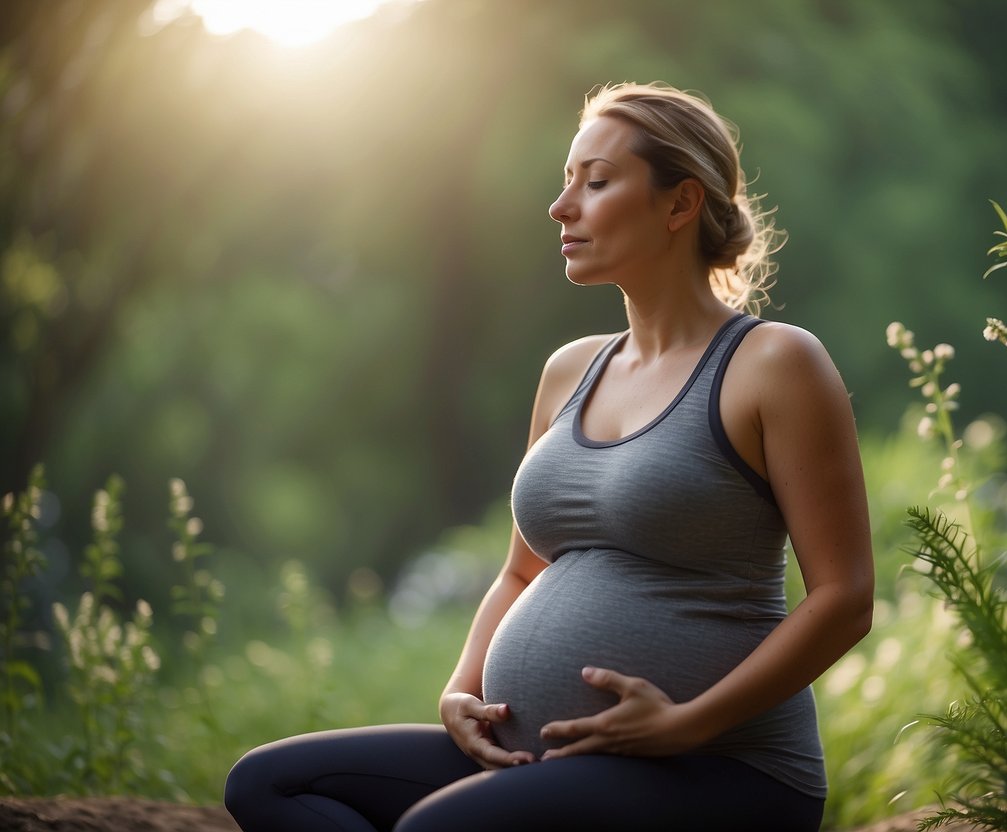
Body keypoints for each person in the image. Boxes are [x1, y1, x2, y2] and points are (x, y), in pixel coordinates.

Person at [224, 81, 874, 832]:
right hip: (534, 759)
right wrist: (460, 690)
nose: (560, 208)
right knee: (268, 785)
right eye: (566, 183)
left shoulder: (772, 364)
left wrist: (686, 722)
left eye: (595, 183)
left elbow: (843, 598)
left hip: (718, 770)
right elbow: (521, 569)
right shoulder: (571, 369)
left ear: (678, 204)